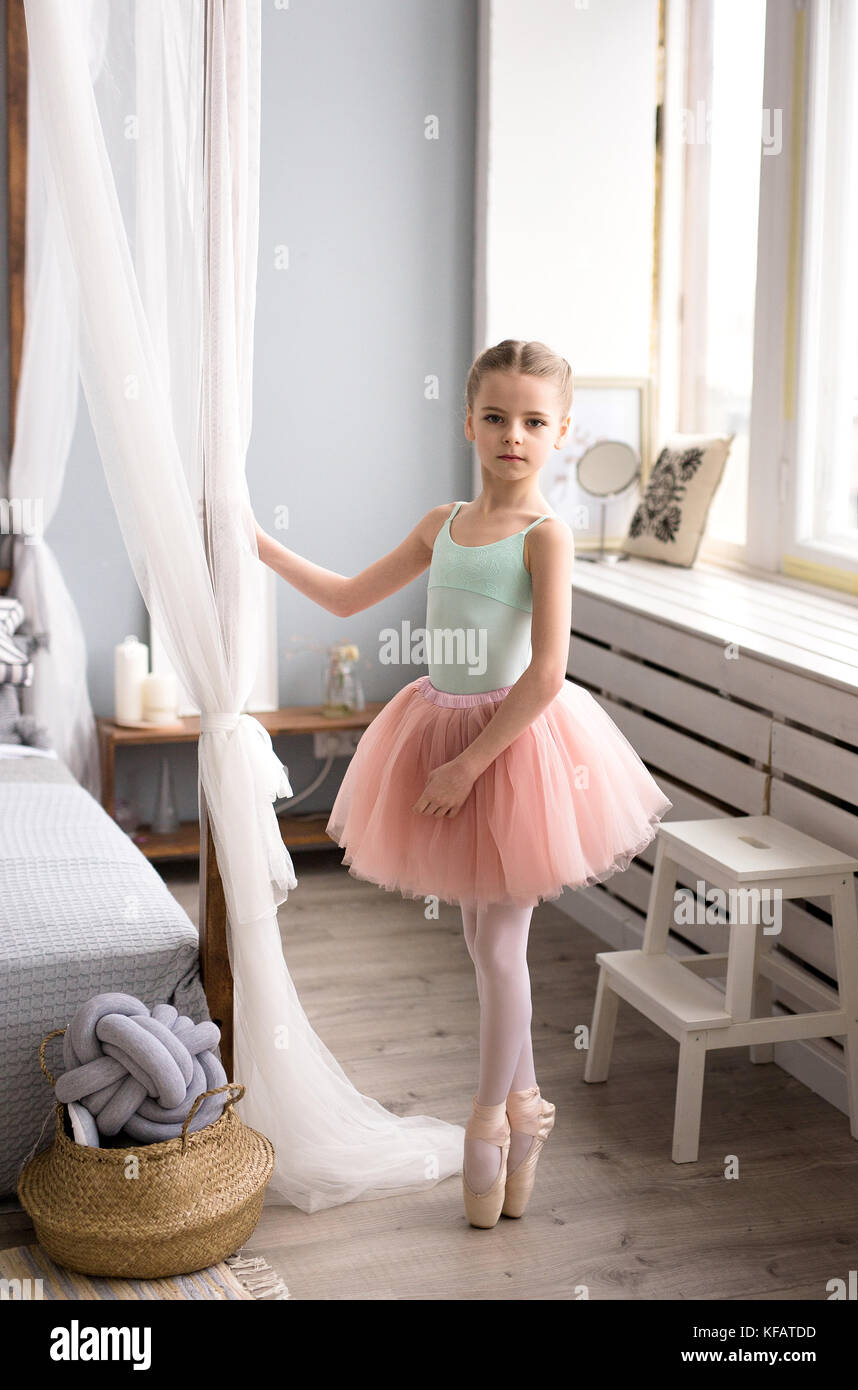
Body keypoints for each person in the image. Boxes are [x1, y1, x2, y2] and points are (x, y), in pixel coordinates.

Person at [254, 338, 673, 1228]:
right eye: (495, 417)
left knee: (497, 948)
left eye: (532, 421)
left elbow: (549, 670)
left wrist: (470, 762)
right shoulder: (441, 523)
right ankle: (526, 1114)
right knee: (481, 946)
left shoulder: (545, 535)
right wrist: (258, 544)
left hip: (513, 748)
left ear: (560, 432)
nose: (512, 435)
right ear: (470, 423)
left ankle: (491, 1121)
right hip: (435, 723)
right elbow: (341, 597)